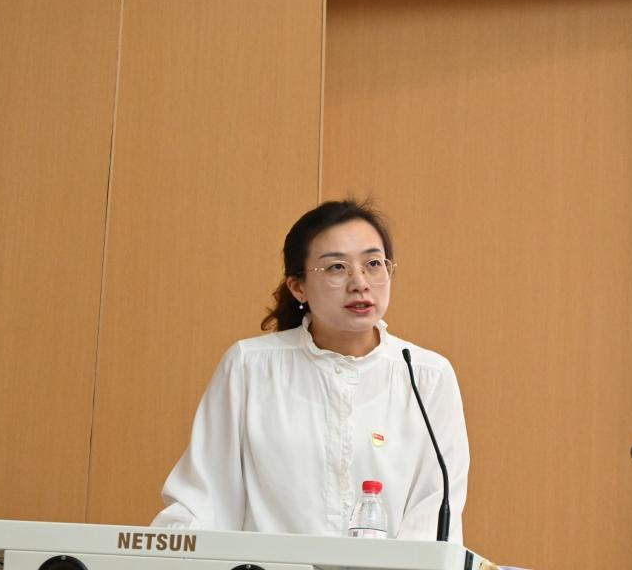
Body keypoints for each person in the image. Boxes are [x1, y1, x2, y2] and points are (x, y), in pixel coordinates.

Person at [152, 200, 470, 542]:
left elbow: (432, 515)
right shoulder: (250, 366)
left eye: (373, 264)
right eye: (336, 267)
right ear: (297, 286)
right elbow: (204, 499)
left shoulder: (427, 376)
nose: (360, 283)